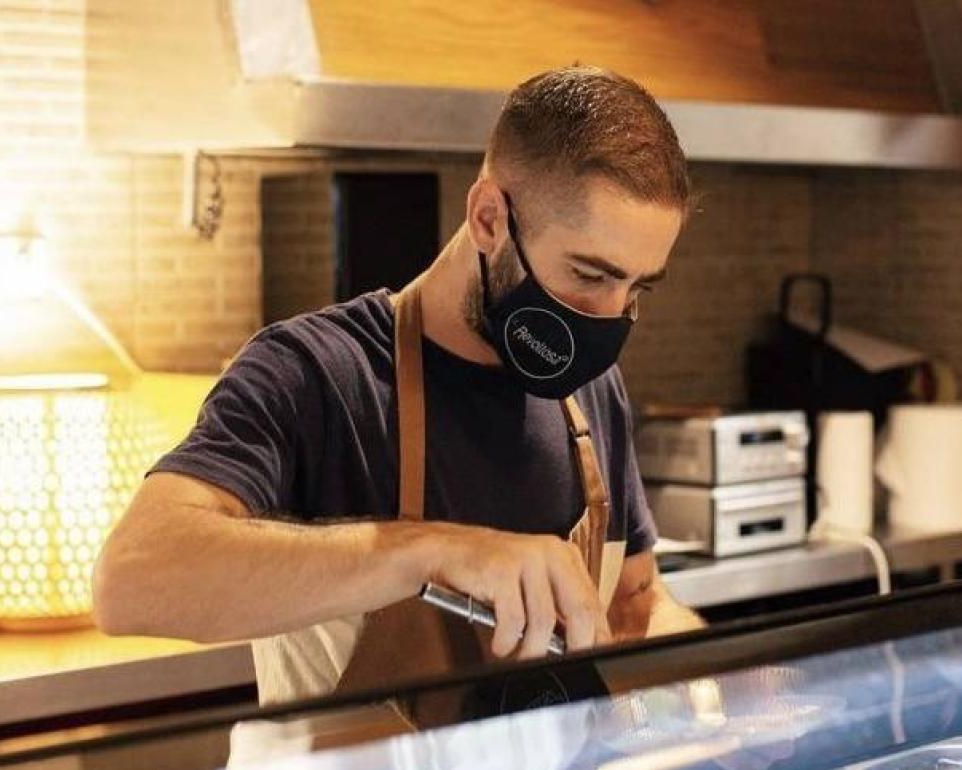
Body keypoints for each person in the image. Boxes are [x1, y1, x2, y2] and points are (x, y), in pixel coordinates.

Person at [93, 65, 704, 711]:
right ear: (490, 217)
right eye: (589, 274)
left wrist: (723, 697)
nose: (610, 315)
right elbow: (132, 579)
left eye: (637, 287)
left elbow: (636, 602)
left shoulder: (592, 393)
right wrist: (432, 553)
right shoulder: (316, 373)